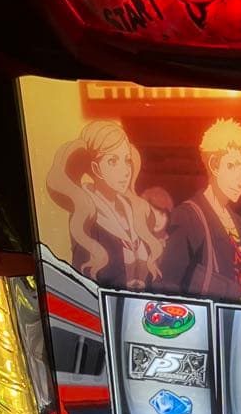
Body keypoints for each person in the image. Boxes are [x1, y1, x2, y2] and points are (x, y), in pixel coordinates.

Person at [46, 120, 164, 290]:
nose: (125, 170)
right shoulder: (86, 214)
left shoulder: (134, 210)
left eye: (127, 160)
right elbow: (83, 283)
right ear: (96, 168)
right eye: (113, 161)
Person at [159, 118, 241, 300]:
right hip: (204, 312)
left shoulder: (240, 224)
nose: (240, 180)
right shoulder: (188, 216)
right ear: (214, 165)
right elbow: (169, 283)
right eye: (232, 166)